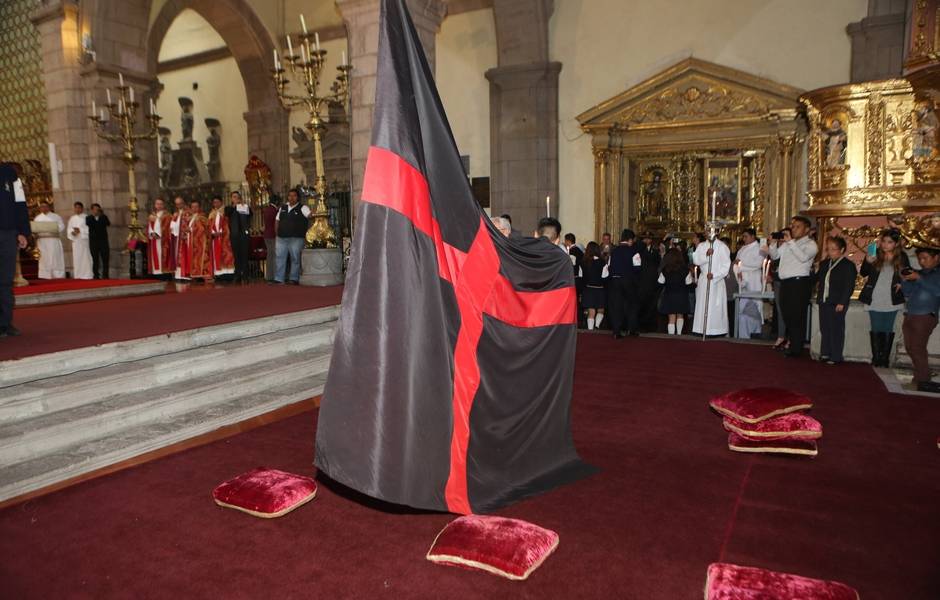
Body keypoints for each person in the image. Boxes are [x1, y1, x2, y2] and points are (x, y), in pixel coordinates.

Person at [769, 216, 818, 357]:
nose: (793, 229)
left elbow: (803, 257)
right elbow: (775, 256)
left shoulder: (811, 244)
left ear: (807, 229)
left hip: (799, 283)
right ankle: (792, 343)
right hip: (786, 283)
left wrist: (790, 242)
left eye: (797, 226)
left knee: (797, 316)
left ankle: (796, 348)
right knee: (787, 315)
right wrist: (773, 245)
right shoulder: (788, 244)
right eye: (792, 225)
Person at [859, 228, 909, 367]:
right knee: (876, 327)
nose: (885, 245)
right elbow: (863, 273)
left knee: (888, 327)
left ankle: (884, 359)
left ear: (896, 244)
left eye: (889, 242)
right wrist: (868, 261)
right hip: (874, 296)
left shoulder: (902, 257)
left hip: (892, 297)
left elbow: (908, 274)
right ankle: (876, 358)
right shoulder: (874, 253)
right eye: (883, 241)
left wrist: (902, 282)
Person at [900, 247, 940, 393]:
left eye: (925, 258)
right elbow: (908, 292)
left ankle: (923, 379)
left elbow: (937, 290)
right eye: (920, 259)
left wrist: (919, 278)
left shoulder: (937, 273)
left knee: (917, 347)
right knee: (910, 347)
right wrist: (904, 280)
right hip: (911, 313)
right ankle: (922, 376)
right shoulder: (921, 273)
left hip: (926, 315)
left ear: (936, 257)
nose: (922, 262)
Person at [815, 236, 856, 365]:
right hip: (824, 300)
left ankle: (836, 355)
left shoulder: (848, 265)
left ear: (842, 249)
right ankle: (825, 353)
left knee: (836, 329)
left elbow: (849, 286)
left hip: (837, 302)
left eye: (834, 249)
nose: (830, 252)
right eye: (828, 249)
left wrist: (842, 302)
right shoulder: (824, 264)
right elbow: (818, 280)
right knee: (824, 328)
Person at [0, 163, 30, 337]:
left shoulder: (11, 175)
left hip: (8, 233)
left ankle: (5, 323)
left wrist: (23, 232)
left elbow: (20, 205)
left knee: (5, 280)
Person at [692, 233, 731, 336]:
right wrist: (706, 255)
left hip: (716, 281)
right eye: (708, 231)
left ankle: (716, 330)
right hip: (704, 279)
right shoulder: (701, 246)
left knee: (715, 306)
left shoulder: (722, 247)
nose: (710, 233)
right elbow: (695, 260)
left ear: (716, 232)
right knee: (702, 304)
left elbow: (726, 265)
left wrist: (715, 275)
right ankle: (700, 329)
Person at [608, 229, 644, 338]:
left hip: (615, 280)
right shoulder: (634, 252)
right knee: (632, 305)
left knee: (616, 306)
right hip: (628, 280)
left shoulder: (613, 251)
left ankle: (616, 331)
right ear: (629, 240)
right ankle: (631, 329)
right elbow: (638, 268)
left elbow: (609, 266)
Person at [735, 228, 767, 339]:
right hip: (742, 278)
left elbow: (758, 263)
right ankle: (742, 334)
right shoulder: (742, 248)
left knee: (756, 306)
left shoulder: (760, 247)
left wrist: (741, 265)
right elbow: (736, 262)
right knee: (742, 308)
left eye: (746, 236)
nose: (743, 239)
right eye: (743, 236)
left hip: (754, 279)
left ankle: (756, 332)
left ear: (753, 236)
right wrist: (738, 269)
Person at [275, 188, 310, 285]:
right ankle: (279, 278)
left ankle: (293, 278)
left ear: (297, 197)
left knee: (295, 258)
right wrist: (277, 233)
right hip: (281, 238)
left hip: (296, 238)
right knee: (279, 258)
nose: (291, 198)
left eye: (294, 196)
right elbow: (277, 220)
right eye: (290, 196)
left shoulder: (303, 208)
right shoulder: (283, 208)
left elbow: (311, 217)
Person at [658, 247, 692, 335]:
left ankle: (671, 337)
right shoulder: (685, 270)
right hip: (682, 295)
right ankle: (679, 334)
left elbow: (660, 283)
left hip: (669, 295)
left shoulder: (665, 270)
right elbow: (689, 284)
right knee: (680, 315)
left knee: (671, 317)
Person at [34, 201, 65, 279]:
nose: (43, 208)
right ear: (40, 208)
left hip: (53, 240)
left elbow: (62, 226)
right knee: (44, 258)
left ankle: (57, 274)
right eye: (42, 207)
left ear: (49, 207)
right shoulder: (37, 218)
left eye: (45, 206)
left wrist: (54, 229)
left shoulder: (56, 216)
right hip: (42, 241)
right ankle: (44, 275)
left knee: (55, 256)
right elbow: (35, 228)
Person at [225, 191, 252, 282]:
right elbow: (227, 213)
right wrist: (235, 206)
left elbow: (250, 214)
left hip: (244, 234)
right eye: (234, 197)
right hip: (234, 235)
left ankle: (245, 275)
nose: (235, 198)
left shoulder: (244, 207)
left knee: (244, 254)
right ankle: (237, 275)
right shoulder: (229, 208)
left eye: (237, 197)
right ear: (231, 199)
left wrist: (244, 205)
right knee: (236, 256)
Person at [580, 241, 608, 330]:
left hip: (588, 289)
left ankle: (590, 330)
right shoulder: (602, 262)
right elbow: (605, 277)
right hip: (600, 289)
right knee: (601, 310)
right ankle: (597, 326)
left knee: (591, 311)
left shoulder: (583, 262)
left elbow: (581, 278)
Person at [638, 232, 661, 332]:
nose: (646, 241)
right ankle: (641, 324)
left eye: (648, 239)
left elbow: (658, 263)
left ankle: (650, 325)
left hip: (652, 281)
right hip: (642, 281)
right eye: (644, 239)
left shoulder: (655, 250)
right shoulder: (639, 250)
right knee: (642, 303)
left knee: (651, 304)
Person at [208, 196, 235, 279]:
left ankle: (228, 274)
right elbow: (209, 225)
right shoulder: (212, 213)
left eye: (217, 202)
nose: (215, 204)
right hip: (215, 238)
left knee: (226, 255)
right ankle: (219, 274)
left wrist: (222, 232)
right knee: (217, 255)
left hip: (224, 237)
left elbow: (228, 223)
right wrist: (212, 233)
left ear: (221, 202)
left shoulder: (226, 211)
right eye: (214, 202)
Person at [67, 202, 93, 280]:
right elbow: (69, 228)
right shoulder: (72, 218)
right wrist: (72, 232)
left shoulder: (87, 217)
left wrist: (80, 230)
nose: (77, 209)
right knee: (77, 257)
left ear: (82, 208)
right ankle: (78, 274)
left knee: (85, 257)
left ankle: (87, 274)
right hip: (76, 241)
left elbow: (89, 229)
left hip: (84, 240)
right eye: (76, 208)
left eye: (79, 207)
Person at [187, 201, 212, 282]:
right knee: (194, 259)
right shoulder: (191, 217)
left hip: (201, 242)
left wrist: (191, 229)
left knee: (203, 259)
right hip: (192, 241)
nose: (194, 208)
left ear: (199, 207)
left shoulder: (202, 217)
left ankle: (205, 275)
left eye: (196, 206)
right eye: (193, 207)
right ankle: (196, 274)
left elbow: (202, 229)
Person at [147, 198, 172, 277]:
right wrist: (152, 233)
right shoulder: (152, 215)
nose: (159, 206)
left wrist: (158, 234)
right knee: (155, 255)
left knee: (162, 255)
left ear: (164, 205)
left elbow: (167, 227)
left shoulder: (167, 216)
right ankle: (156, 273)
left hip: (162, 240)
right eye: (157, 204)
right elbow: (149, 226)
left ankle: (164, 274)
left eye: (161, 204)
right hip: (154, 239)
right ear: (155, 205)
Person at [86, 203, 110, 279]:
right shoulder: (89, 218)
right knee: (95, 259)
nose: (96, 211)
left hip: (103, 241)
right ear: (92, 210)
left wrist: (101, 215)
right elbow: (90, 224)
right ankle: (96, 275)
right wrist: (95, 217)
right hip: (94, 242)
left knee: (105, 258)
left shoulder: (103, 217)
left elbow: (108, 223)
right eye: (95, 209)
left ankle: (105, 275)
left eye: (98, 209)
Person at [170, 196, 190, 281]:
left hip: (184, 237)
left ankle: (185, 274)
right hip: (177, 238)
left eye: (180, 203)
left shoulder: (188, 212)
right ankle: (178, 275)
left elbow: (189, 224)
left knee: (184, 255)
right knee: (177, 256)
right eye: (177, 204)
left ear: (184, 202)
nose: (179, 205)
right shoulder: (176, 214)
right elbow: (172, 225)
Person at [263, 194, 280, 281]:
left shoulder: (267, 209)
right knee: (273, 256)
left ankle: (269, 276)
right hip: (273, 235)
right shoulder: (274, 210)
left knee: (270, 255)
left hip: (266, 235)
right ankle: (273, 276)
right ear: (276, 202)